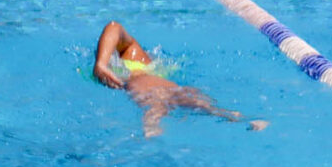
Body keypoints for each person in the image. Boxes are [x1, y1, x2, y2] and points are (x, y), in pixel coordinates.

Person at [92, 22, 266, 138]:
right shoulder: (136, 57)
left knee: (158, 104)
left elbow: (114, 27)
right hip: (171, 88)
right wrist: (101, 63)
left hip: (152, 87)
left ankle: (152, 125)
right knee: (202, 105)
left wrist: (100, 63)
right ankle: (246, 119)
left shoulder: (134, 56)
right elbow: (113, 29)